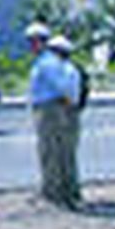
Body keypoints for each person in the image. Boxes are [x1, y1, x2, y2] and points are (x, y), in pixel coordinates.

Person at [30, 27, 83, 209]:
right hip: (54, 108)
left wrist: (65, 108)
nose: (32, 45)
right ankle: (66, 192)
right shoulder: (55, 64)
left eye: (35, 40)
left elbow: (62, 88)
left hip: (50, 109)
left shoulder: (47, 63)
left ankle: (54, 194)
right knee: (61, 153)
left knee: (50, 152)